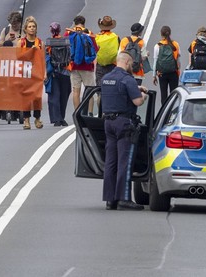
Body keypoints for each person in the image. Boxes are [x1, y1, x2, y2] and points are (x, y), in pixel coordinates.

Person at [101, 51, 149, 211]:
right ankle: (123, 198)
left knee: (110, 162)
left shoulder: (106, 78)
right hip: (124, 124)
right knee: (124, 162)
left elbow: (117, 91)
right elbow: (137, 101)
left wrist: (136, 87)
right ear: (128, 63)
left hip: (108, 123)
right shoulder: (127, 79)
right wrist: (143, 95)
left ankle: (110, 200)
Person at [16, 16, 45, 129]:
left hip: (37, 72)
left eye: (34, 27)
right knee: (26, 97)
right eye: (30, 27)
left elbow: (43, 59)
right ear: (26, 29)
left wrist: (44, 73)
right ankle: (26, 120)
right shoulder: (21, 42)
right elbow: (18, 57)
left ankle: (37, 118)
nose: (32, 29)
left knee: (37, 97)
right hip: (25, 72)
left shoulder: (40, 43)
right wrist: (30, 51)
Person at [65, 15, 98, 112]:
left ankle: (77, 113)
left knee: (76, 91)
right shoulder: (89, 33)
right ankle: (90, 112)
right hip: (87, 66)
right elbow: (95, 49)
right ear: (84, 23)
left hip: (74, 66)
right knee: (90, 91)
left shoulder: (68, 33)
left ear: (74, 23)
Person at [45, 22, 72, 126]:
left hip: (53, 72)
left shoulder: (48, 42)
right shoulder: (66, 41)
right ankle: (62, 118)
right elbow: (70, 55)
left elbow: (46, 58)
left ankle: (57, 119)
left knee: (54, 96)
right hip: (65, 72)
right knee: (64, 96)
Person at [153, 26, 180, 104]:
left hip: (162, 73)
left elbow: (155, 61)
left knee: (163, 94)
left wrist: (154, 75)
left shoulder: (157, 46)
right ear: (170, 33)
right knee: (174, 94)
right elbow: (178, 59)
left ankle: (164, 112)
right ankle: (173, 113)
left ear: (161, 34)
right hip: (173, 72)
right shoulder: (175, 44)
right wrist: (178, 70)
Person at [95, 16, 119, 85]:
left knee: (100, 85)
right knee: (111, 84)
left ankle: (100, 95)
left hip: (100, 64)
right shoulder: (115, 37)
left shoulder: (97, 37)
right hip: (112, 64)